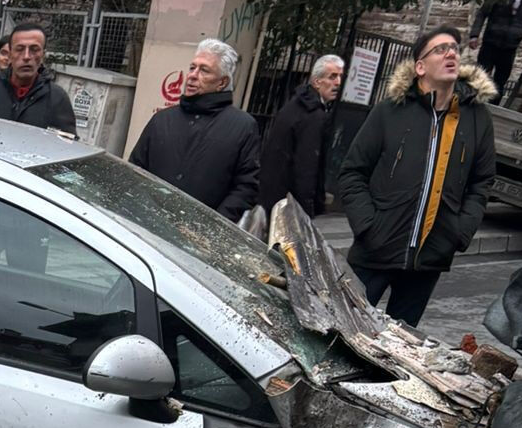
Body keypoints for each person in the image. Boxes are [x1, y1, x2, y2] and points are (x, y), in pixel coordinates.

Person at [336, 26, 496, 328]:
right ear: (420, 67)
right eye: (440, 49)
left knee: (401, 347)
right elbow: (353, 171)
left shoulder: (476, 118)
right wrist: (368, 226)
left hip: (430, 257)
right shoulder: (390, 112)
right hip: (376, 249)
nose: (451, 53)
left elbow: (482, 181)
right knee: (346, 330)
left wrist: (458, 233)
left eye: (454, 49)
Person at [129, 38, 260, 220]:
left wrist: (214, 225)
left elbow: (246, 187)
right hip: (147, 224)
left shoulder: (243, 127)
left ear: (222, 83)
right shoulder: (162, 119)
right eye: (192, 67)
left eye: (204, 70)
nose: (192, 75)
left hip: (198, 239)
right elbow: (135, 169)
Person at [257, 53, 343, 217]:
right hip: (288, 204)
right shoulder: (312, 115)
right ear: (317, 82)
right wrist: (306, 210)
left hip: (273, 197)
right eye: (332, 77)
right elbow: (306, 167)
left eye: (339, 77)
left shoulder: (297, 105)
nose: (337, 82)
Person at [0, 23, 76, 131]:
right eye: (19, 49)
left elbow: (66, 145)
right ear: (10, 55)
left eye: (34, 49)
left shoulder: (57, 98)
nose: (26, 56)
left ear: (43, 55)